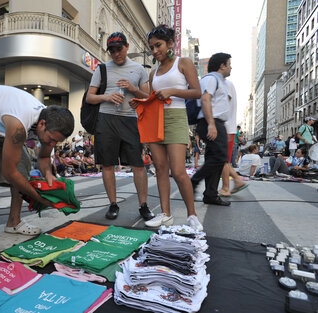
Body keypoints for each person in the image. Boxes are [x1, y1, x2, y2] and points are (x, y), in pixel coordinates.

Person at [0, 85, 74, 235]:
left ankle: (14, 223)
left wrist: (49, 176)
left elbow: (44, 157)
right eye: (51, 140)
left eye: (56, 142)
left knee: (23, 166)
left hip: (0, 123)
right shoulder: (20, 125)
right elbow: (9, 172)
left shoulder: (50, 124)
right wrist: (38, 197)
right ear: (42, 124)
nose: (52, 145)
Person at [132, 24, 203, 231]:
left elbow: (197, 92)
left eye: (158, 45)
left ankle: (192, 215)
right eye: (152, 47)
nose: (155, 51)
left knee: (179, 171)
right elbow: (153, 98)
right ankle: (165, 214)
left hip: (176, 117)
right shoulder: (153, 73)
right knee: (161, 169)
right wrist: (140, 100)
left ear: (170, 43)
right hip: (155, 119)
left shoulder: (184, 63)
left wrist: (172, 90)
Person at [86, 32, 153, 221]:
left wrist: (133, 91)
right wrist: (106, 96)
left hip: (130, 120)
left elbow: (147, 98)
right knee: (107, 164)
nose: (116, 54)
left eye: (119, 49)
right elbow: (90, 97)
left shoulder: (139, 69)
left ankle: (144, 206)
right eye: (112, 50)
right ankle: (113, 204)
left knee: (138, 164)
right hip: (105, 119)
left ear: (127, 46)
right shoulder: (101, 69)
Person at [190, 52, 232, 206]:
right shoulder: (211, 79)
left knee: (215, 158)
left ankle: (210, 194)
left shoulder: (218, 80)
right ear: (222, 66)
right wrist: (212, 124)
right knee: (220, 157)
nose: (231, 67)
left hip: (215, 122)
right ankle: (194, 181)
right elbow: (205, 99)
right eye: (229, 64)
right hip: (210, 121)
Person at [217, 80, 248, 197]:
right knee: (222, 160)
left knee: (222, 160)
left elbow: (222, 106)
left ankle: (227, 187)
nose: (231, 68)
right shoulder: (224, 83)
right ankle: (234, 182)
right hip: (226, 128)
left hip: (225, 129)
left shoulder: (224, 84)